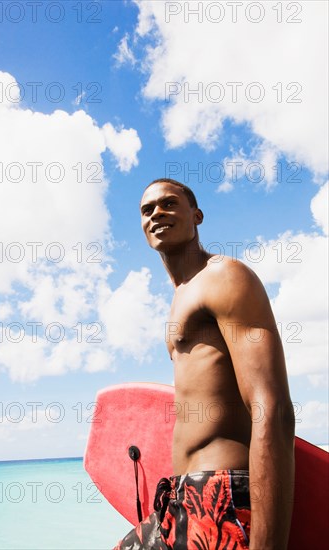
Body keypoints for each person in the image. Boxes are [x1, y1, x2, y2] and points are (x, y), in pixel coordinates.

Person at [114, 178, 295, 549]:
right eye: (147, 210)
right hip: (180, 500)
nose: (156, 214)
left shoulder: (223, 277)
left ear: (196, 215)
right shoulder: (180, 298)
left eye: (168, 204)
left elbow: (272, 409)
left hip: (223, 498)